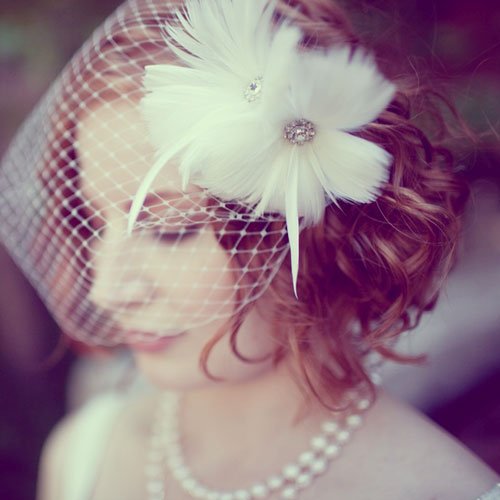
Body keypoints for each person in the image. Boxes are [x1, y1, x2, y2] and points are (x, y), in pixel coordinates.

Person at [0, 0, 498, 499]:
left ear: (316, 228)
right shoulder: (83, 456)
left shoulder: (443, 489)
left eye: (168, 228)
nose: (107, 290)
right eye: (91, 223)